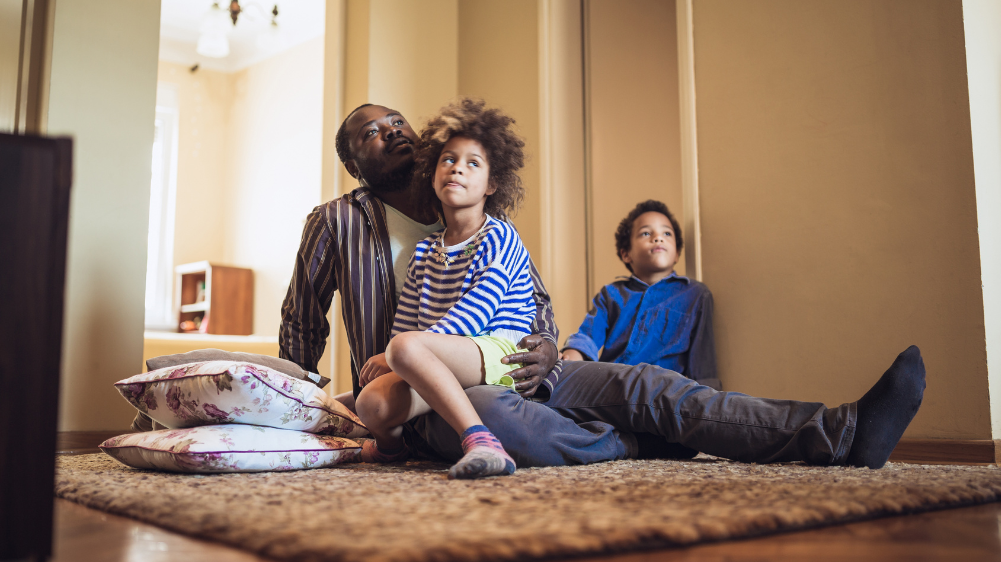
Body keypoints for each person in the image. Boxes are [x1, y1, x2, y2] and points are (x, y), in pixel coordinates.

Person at [280, 102, 926, 471]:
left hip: (526, 363)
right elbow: (304, 318)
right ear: (352, 160)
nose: (392, 129)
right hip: (440, 400)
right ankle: (636, 445)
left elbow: (531, 298)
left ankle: (839, 433)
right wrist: (295, 407)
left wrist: (546, 346)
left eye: (397, 120)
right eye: (371, 129)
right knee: (504, 420)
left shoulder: (481, 216)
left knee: (650, 385)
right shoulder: (339, 222)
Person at [355, 99, 535, 479]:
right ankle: (392, 449)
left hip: (500, 350)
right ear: (432, 173)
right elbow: (405, 321)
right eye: (448, 159)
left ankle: (482, 441)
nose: (457, 168)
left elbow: (477, 312)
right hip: (443, 356)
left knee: (404, 348)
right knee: (370, 402)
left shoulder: (499, 236)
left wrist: (396, 355)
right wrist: (398, 355)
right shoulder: (425, 250)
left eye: (473, 163)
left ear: (493, 184)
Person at [562, 200, 720, 390]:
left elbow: (703, 363)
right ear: (626, 254)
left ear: (677, 253)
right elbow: (587, 337)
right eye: (646, 233)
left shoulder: (695, 295)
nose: (658, 238)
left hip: (663, 393)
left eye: (667, 233)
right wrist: (571, 356)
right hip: (610, 388)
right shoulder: (611, 295)